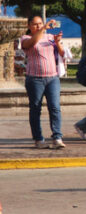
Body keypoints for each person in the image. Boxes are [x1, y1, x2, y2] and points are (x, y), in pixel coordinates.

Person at [20, 16, 65, 149]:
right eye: (35, 24)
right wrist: (44, 28)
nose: (39, 26)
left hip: (52, 78)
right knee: (35, 108)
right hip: (35, 79)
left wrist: (57, 42)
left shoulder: (50, 37)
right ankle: (38, 139)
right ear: (29, 26)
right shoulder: (25, 38)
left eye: (40, 24)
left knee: (55, 107)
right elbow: (32, 43)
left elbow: (62, 53)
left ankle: (57, 137)